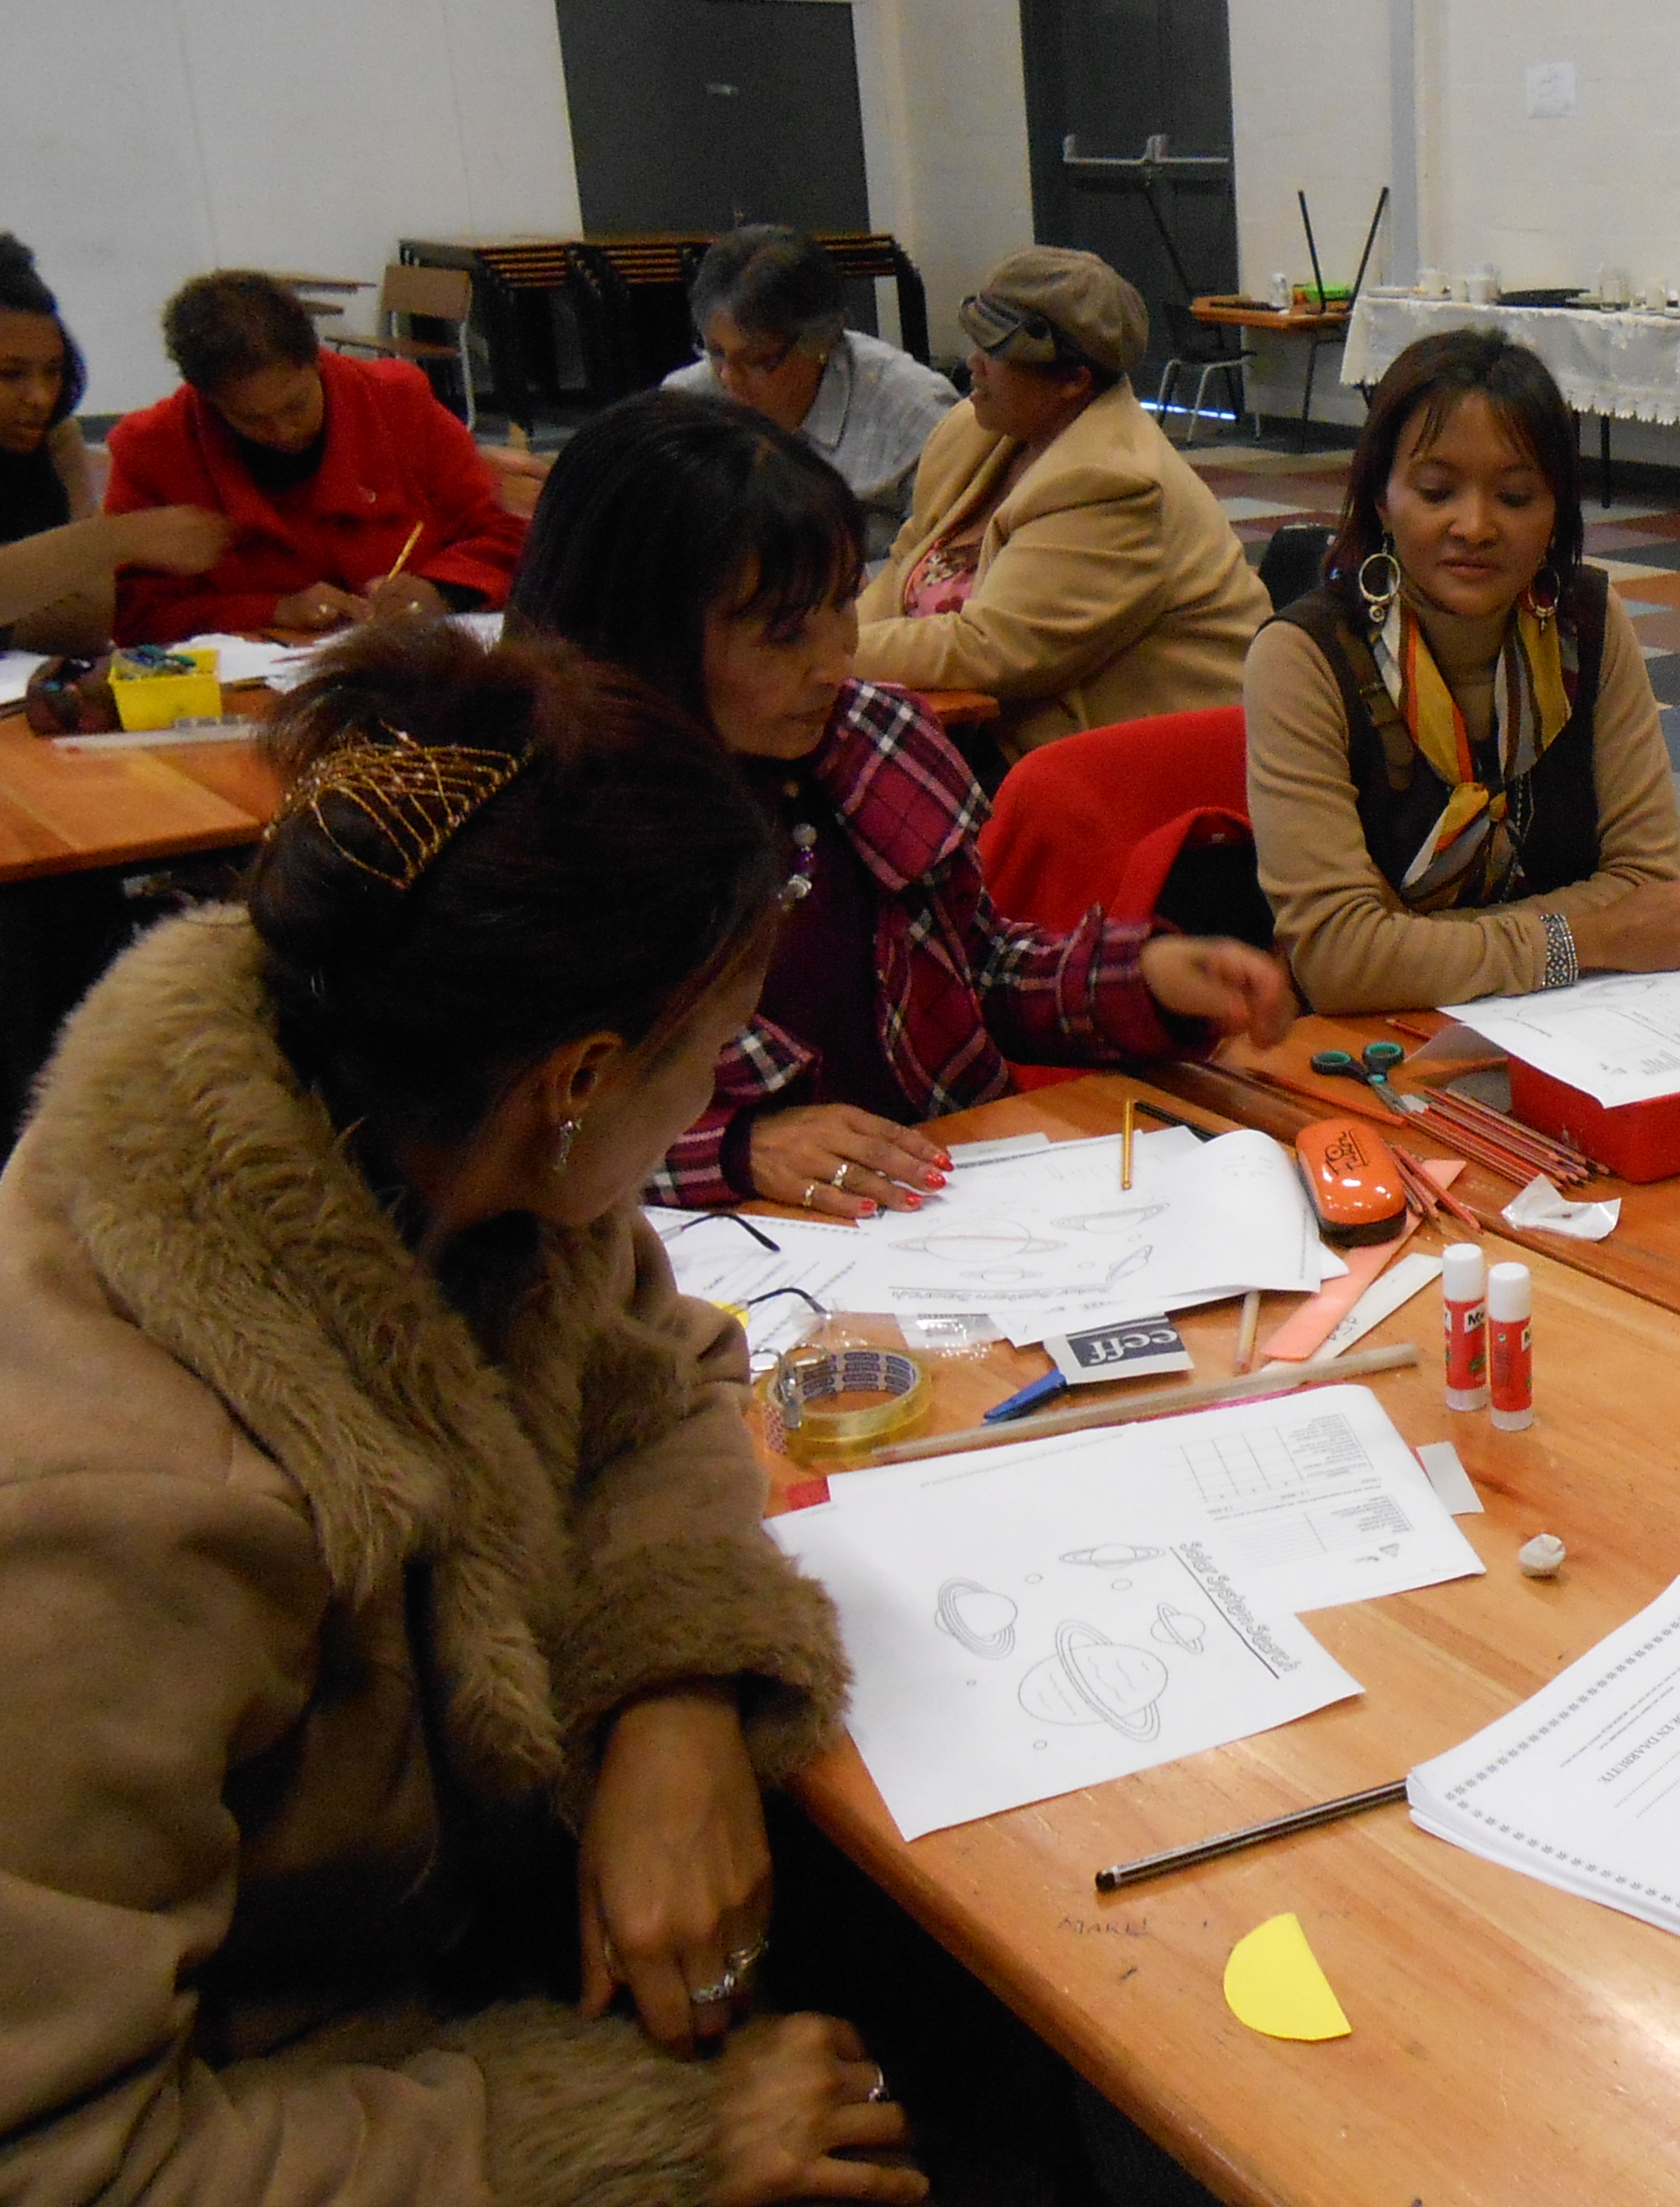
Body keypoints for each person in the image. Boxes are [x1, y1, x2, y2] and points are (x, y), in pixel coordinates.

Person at [0, 621, 923, 2204]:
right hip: (315, 2096)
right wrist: (634, 2146)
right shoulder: (116, 1514)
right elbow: (67, 2160)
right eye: (708, 1060)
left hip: (456, 1954)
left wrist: (674, 1691)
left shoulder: (446, 1141)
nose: (705, 1111)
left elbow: (663, 1383)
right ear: (580, 1080)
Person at [509, 390, 1293, 1213]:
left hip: (941, 1205)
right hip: (729, 1249)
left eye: (845, 603)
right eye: (784, 633)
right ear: (643, 633)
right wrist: (736, 1148)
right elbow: (502, 1133)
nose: (837, 659)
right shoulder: (544, 824)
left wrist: (1143, 980)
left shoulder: (867, 744)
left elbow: (976, 971)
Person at [1244, 326, 1680, 1012]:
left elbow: (1655, 883)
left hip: (1584, 1025)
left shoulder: (1587, 623)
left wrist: (1411, 945)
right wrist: (1585, 939)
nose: (1475, 527)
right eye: (1437, 492)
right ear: (1382, 500)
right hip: (1378, 1040)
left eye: (1516, 497)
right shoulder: (1303, 657)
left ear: (1556, 514)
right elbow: (1339, 958)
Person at [855, 247, 1264, 764]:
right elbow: (904, 562)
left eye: (997, 352)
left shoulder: (1114, 482)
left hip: (1142, 769)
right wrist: (829, 642)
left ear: (1073, 380)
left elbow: (989, 649)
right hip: (997, 737)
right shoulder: (975, 429)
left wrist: (818, 654)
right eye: (976, 339)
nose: (972, 363)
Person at [101, 269, 525, 642]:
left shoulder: (397, 402)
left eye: (297, 405)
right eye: (251, 420)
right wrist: (273, 610)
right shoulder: (154, 449)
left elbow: (505, 532)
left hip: (417, 658)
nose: (283, 433)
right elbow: (137, 611)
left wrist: (442, 590)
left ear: (317, 361)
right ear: (207, 399)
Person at [661, 224, 958, 557]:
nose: (729, 378)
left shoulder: (914, 412)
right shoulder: (687, 403)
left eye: (758, 361)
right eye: (715, 353)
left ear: (823, 340)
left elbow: (949, 566)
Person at [0, 233, 230, 652]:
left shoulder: (55, 436)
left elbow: (88, 616)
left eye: (53, 371)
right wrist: (117, 539)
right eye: (10, 374)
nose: (40, 397)